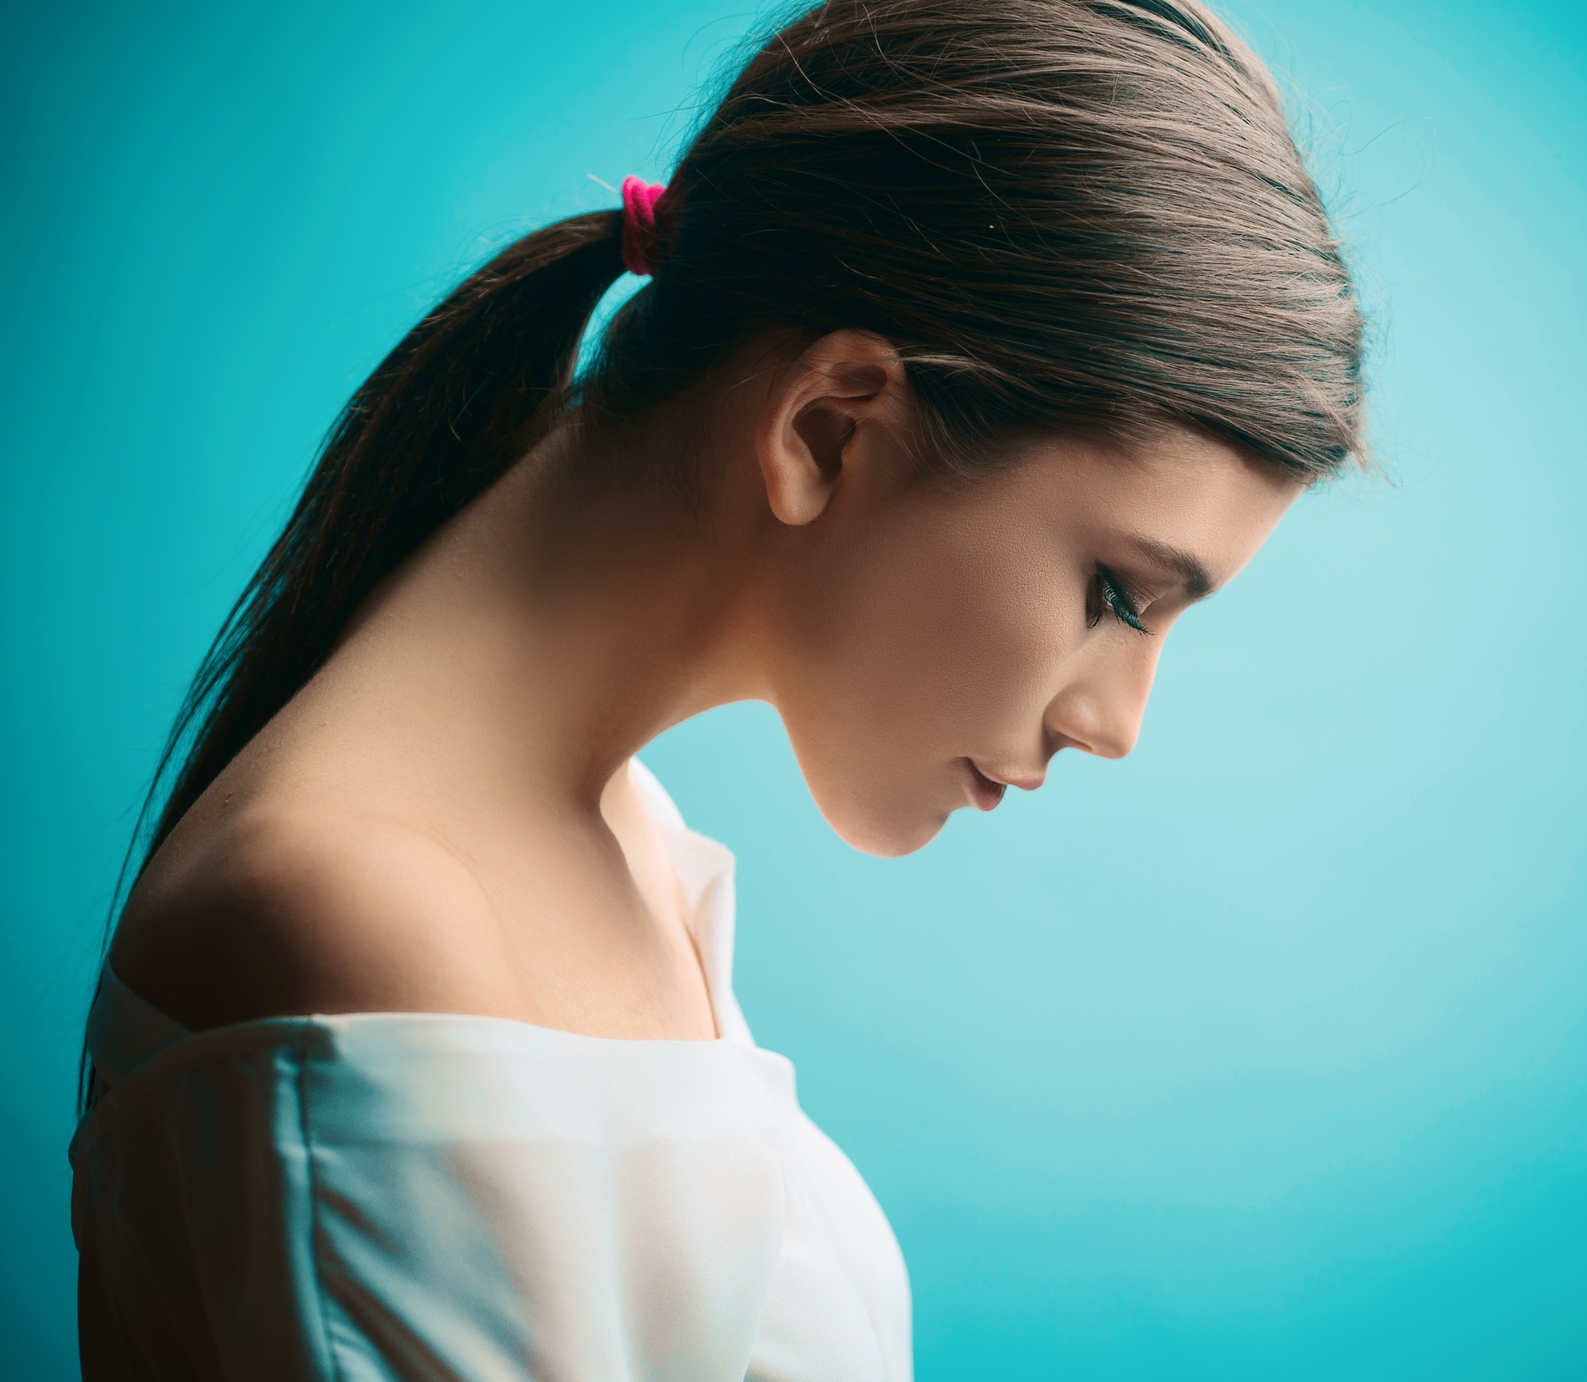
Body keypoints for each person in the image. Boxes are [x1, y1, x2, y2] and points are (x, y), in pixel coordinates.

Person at [69, 0, 1367, 1376]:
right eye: (1118, 593)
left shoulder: (618, 832)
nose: (1116, 723)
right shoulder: (361, 916)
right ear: (827, 424)